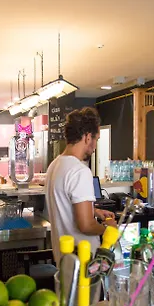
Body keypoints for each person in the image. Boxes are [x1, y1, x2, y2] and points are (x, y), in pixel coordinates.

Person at [45, 107, 117, 263]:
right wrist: (109, 229)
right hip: (84, 261)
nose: (95, 145)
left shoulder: (55, 165)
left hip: (65, 259)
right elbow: (85, 225)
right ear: (87, 137)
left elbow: (64, 204)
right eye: (96, 139)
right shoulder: (80, 171)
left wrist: (93, 210)